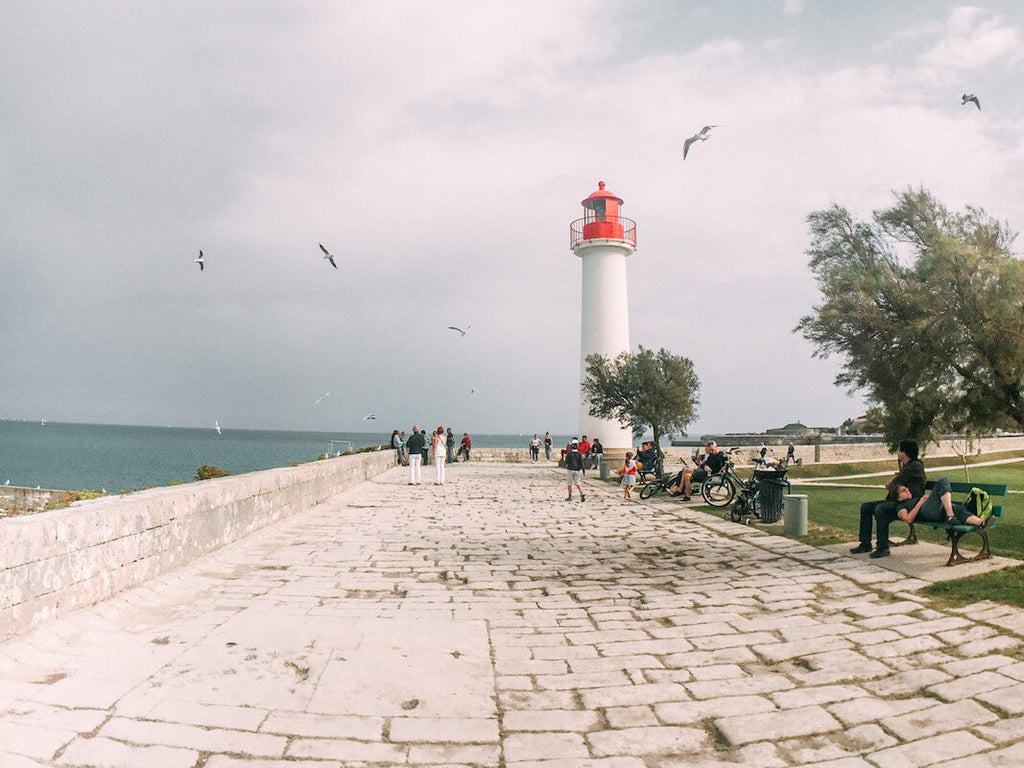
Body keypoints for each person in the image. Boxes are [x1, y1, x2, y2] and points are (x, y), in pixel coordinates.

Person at [850, 439, 926, 559]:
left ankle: (883, 547)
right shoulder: (908, 465)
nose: (898, 453)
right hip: (899, 501)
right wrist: (893, 486)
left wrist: (892, 485)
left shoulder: (915, 466)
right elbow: (895, 484)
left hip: (910, 503)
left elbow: (893, 483)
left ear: (904, 452)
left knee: (881, 509)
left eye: (899, 450)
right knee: (866, 507)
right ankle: (865, 544)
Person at [896, 477, 987, 527]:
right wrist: (920, 502)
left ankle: (981, 522)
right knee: (942, 481)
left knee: (958, 509)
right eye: (903, 490)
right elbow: (908, 519)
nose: (907, 490)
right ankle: (950, 516)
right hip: (926, 512)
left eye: (906, 488)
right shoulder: (901, 506)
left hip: (938, 511)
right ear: (898, 498)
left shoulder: (913, 498)